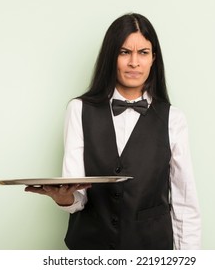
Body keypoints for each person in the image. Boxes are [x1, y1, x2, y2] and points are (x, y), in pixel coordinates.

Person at [25, 13, 201, 250]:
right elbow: (78, 196)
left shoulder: (174, 119)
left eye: (143, 53)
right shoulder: (79, 110)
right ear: (111, 56)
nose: (134, 63)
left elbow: (184, 203)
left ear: (153, 59)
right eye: (124, 52)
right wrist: (64, 198)